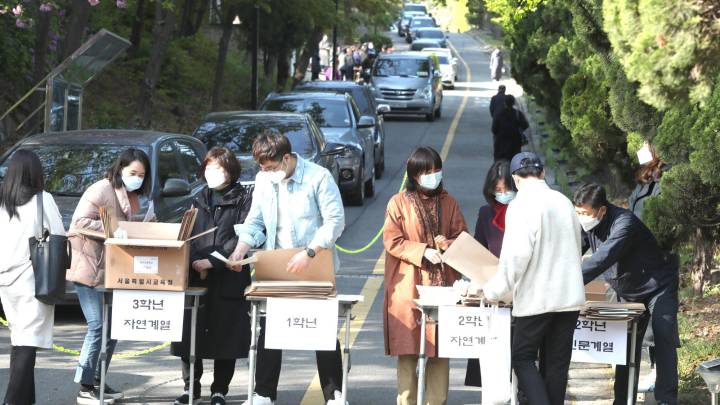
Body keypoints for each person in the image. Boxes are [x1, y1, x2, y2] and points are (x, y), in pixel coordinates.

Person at [228, 133, 346, 405]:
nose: (267, 172)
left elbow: (335, 221)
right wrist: (239, 250)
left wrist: (310, 251)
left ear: (287, 158)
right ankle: (264, 393)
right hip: (278, 263)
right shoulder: (263, 181)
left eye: (271, 167)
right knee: (271, 326)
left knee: (322, 328)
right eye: (262, 168)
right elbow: (255, 221)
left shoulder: (318, 177)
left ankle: (334, 394)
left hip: (315, 263)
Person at [482, 152, 585, 405]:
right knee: (557, 366)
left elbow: (515, 259)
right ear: (542, 173)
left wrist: (493, 291)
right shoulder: (563, 201)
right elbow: (578, 244)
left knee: (523, 358)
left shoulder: (520, 206)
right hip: (569, 298)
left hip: (537, 300)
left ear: (516, 179)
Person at [573, 183, 679, 405]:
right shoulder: (588, 224)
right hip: (627, 290)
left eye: (585, 213)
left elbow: (604, 257)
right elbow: (574, 250)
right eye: (578, 212)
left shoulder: (624, 222)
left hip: (657, 285)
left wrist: (568, 281)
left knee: (663, 336)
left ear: (602, 210)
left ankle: (666, 399)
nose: (581, 217)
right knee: (623, 346)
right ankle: (622, 399)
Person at [383, 146, 468, 405]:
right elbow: (392, 240)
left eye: (437, 170)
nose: (434, 176)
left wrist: (447, 243)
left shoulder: (449, 201)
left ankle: (436, 402)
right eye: (427, 172)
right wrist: (423, 251)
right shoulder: (398, 202)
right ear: (415, 175)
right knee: (408, 349)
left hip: (443, 284)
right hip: (408, 285)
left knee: (440, 350)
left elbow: (463, 236)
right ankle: (406, 401)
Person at [66, 148, 152, 404]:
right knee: (97, 326)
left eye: (141, 174)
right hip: (89, 267)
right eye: (132, 172)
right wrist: (112, 229)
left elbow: (128, 228)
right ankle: (84, 386)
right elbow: (78, 222)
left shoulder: (132, 195)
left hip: (113, 271)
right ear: (120, 169)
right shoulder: (101, 189)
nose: (136, 177)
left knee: (113, 328)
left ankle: (97, 380)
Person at [170, 147, 253, 405]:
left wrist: (214, 261)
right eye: (208, 168)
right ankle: (190, 389)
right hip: (196, 277)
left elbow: (243, 237)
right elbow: (186, 234)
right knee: (190, 335)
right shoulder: (198, 199)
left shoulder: (245, 199)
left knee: (225, 335)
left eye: (217, 168)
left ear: (230, 171)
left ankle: (219, 390)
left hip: (230, 274)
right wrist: (195, 260)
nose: (211, 173)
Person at [0, 150, 65, 405]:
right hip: (32, 278)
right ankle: (11, 400)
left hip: (5, 280)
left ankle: (26, 400)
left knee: (21, 341)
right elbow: (58, 235)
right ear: (36, 173)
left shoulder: (3, 201)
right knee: (27, 344)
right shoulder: (42, 199)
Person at [463, 160, 515, 388]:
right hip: (492, 289)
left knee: (518, 354)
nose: (503, 195)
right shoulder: (486, 213)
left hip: (520, 288)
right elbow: (479, 249)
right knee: (490, 348)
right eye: (498, 191)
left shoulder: (526, 211)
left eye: (507, 190)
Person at [627, 141, 665, 393]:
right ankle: (645, 373)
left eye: (645, 146)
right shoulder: (644, 179)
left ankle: (656, 373)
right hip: (636, 259)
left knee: (657, 324)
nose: (640, 149)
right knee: (642, 323)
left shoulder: (663, 182)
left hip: (655, 261)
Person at [491, 95, 529, 161]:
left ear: (504, 103)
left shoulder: (499, 114)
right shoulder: (518, 114)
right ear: (513, 103)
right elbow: (525, 125)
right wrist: (518, 130)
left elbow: (494, 129)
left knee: (497, 162)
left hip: (501, 145)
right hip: (515, 143)